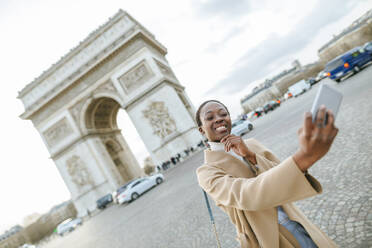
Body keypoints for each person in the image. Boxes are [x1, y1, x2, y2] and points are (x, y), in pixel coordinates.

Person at [195, 100, 338, 248]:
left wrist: (251, 156)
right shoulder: (206, 172)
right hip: (263, 239)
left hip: (296, 220)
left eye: (223, 114)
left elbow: (285, 175)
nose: (219, 119)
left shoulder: (251, 144)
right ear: (201, 130)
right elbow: (246, 194)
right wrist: (304, 156)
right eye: (210, 117)